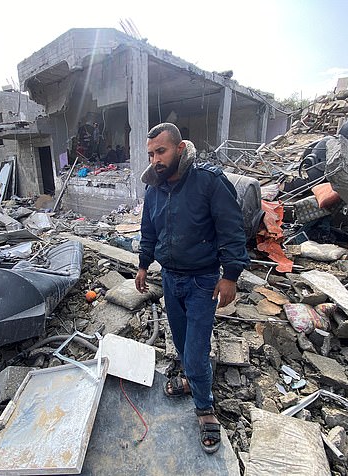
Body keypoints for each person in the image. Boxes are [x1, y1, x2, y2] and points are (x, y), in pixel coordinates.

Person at [135, 122, 249, 454]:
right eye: (151, 153)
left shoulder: (208, 182)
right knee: (182, 341)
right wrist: (144, 264)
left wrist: (231, 275)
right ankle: (189, 379)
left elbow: (232, 230)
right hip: (171, 278)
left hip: (203, 281)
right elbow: (149, 231)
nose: (155, 159)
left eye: (161, 151)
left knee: (198, 349)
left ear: (180, 148)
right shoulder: (154, 189)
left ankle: (205, 408)